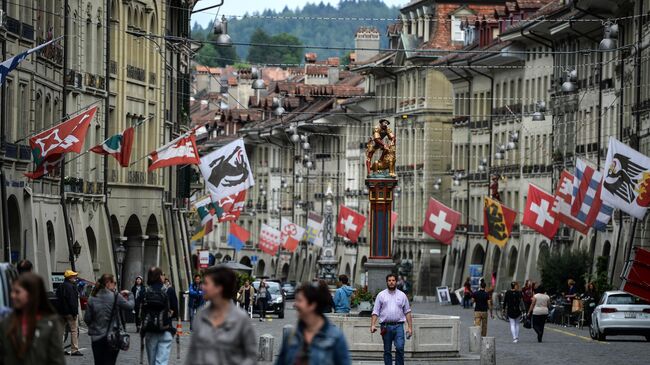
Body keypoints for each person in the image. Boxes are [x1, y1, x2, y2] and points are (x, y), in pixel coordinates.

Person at [186, 266, 257, 365]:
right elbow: (192, 355)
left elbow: (251, 357)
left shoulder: (241, 319)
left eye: (206, 284)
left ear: (218, 288)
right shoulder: (201, 315)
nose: (202, 287)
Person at [276, 281, 351, 365]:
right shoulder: (290, 336)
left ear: (312, 305)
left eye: (299, 300)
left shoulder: (335, 337)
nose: (295, 305)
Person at [0, 273, 65, 365]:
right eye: (12, 291)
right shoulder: (6, 323)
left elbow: (57, 360)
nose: (12, 295)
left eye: (17, 292)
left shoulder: (50, 323)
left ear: (32, 294)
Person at [84, 274, 134, 365]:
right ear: (108, 283)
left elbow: (87, 318)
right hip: (112, 337)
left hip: (96, 337)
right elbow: (130, 306)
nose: (115, 285)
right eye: (114, 283)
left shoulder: (92, 298)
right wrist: (130, 294)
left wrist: (95, 325)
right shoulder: (115, 296)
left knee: (98, 362)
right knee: (110, 362)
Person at [370, 274, 413, 365]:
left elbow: (407, 312)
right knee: (387, 350)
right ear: (387, 282)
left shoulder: (402, 295)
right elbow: (375, 311)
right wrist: (373, 325)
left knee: (400, 347)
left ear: (396, 282)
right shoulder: (381, 295)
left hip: (399, 326)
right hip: (385, 327)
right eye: (389, 280)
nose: (391, 282)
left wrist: (409, 328)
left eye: (393, 280)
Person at [141, 268, 179, 365]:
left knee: (152, 362)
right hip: (165, 329)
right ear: (159, 276)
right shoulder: (169, 290)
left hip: (150, 330)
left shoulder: (145, 291)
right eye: (162, 274)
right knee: (162, 362)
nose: (164, 276)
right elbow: (176, 310)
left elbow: (141, 310)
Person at [57, 269, 82, 356]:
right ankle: (74, 349)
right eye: (73, 276)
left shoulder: (60, 286)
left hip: (61, 312)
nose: (75, 277)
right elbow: (72, 302)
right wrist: (75, 313)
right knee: (74, 330)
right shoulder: (71, 287)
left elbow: (57, 300)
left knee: (61, 331)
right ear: (70, 278)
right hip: (70, 313)